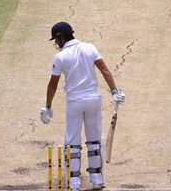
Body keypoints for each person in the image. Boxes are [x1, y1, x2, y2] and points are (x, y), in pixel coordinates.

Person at [39, 22, 126, 191]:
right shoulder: (89, 48)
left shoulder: (60, 57)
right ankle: (97, 180)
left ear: (60, 36)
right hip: (94, 100)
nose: (56, 44)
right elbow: (104, 69)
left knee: (72, 142)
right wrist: (114, 91)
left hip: (75, 102)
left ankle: (75, 183)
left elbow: (53, 84)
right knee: (94, 140)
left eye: (56, 40)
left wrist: (48, 106)